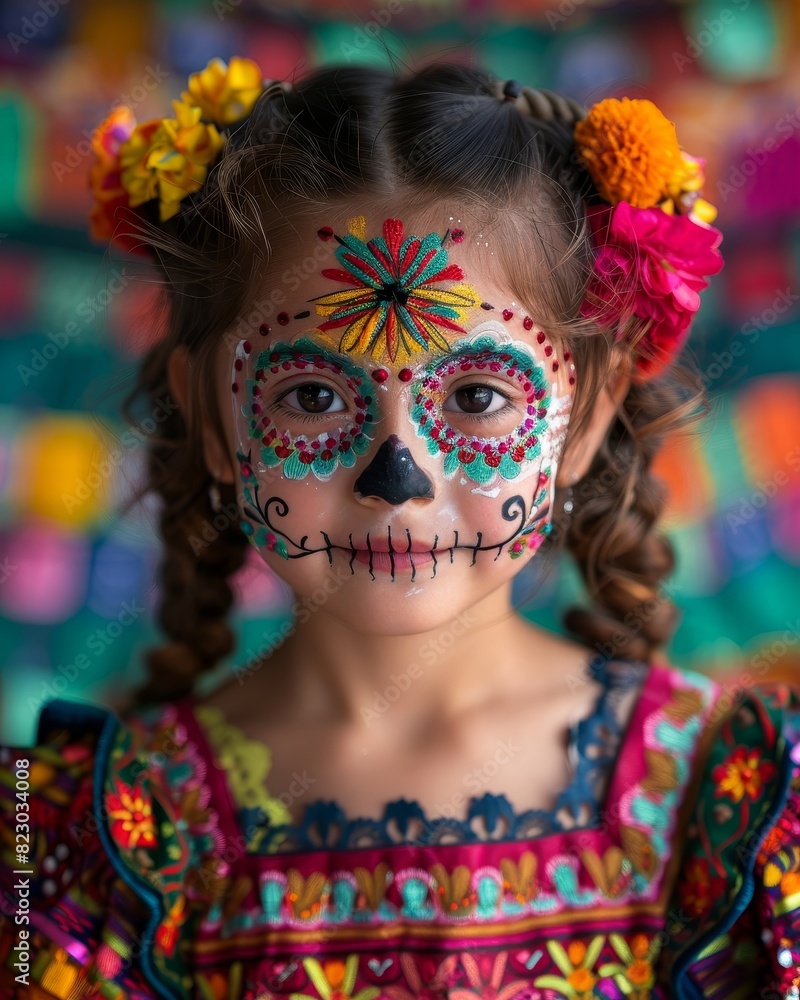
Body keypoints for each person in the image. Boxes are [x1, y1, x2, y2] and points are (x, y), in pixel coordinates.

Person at [1, 56, 798, 1000]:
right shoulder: (74, 839)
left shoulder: (737, 802)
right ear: (213, 420)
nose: (397, 477)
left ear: (585, 420)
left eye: (475, 395)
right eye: (309, 393)